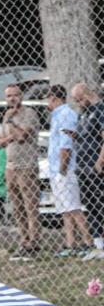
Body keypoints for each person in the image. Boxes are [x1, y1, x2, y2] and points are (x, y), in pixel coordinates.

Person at [47, 84, 93, 257]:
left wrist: (62, 168)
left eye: (48, 97)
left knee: (73, 207)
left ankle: (89, 241)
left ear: (53, 97)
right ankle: (70, 243)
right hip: (55, 169)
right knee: (64, 210)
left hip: (64, 169)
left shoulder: (66, 115)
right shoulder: (56, 116)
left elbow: (65, 146)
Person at [0, 83, 41, 259]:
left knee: (30, 205)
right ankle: (24, 240)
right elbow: (1, 141)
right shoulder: (6, 115)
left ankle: (34, 243)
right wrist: (10, 134)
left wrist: (12, 124)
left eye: (15, 95)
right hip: (11, 166)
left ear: (21, 96)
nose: (12, 99)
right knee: (17, 208)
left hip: (26, 165)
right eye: (9, 96)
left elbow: (23, 136)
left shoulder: (28, 113)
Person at [70, 82, 104, 260]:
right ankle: (99, 245)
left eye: (79, 99)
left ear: (86, 95)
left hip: (95, 166)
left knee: (100, 201)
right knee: (90, 204)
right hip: (82, 167)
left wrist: (100, 160)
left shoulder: (100, 111)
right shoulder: (83, 114)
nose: (78, 103)